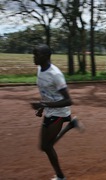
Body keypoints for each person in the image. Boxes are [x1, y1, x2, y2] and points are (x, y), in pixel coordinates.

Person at [30, 44, 84, 180]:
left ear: (46, 56)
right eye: (34, 54)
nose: (34, 57)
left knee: (47, 146)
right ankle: (71, 125)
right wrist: (42, 108)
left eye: (37, 54)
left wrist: (43, 104)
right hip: (49, 110)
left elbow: (68, 100)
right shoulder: (40, 69)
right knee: (44, 146)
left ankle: (60, 176)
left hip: (60, 112)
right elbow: (47, 93)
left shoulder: (55, 74)